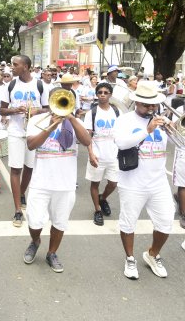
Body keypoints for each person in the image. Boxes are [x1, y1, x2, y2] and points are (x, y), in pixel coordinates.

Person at [23, 90, 91, 271]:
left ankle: (51, 253)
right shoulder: (37, 120)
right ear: (51, 101)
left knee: (60, 222)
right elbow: (31, 145)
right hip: (41, 182)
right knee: (34, 221)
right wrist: (51, 127)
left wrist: (72, 119)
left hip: (65, 183)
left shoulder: (76, 123)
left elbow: (86, 140)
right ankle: (35, 240)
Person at [113, 81, 175, 280]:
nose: (151, 108)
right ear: (137, 102)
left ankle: (152, 254)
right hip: (132, 181)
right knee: (128, 222)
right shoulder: (125, 120)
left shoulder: (160, 120)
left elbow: (179, 145)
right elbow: (122, 143)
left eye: (153, 105)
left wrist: (172, 130)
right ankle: (130, 258)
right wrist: (147, 130)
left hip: (158, 181)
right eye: (146, 105)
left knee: (166, 222)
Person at [0, 54, 49, 227]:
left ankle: (21, 193)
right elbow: (2, 110)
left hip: (33, 131)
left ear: (26, 67)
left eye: (15, 64)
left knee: (29, 168)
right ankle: (17, 210)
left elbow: (49, 109)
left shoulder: (40, 84)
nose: (12, 67)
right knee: (15, 169)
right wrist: (15, 110)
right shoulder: (10, 85)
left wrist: (36, 111)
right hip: (15, 131)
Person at [84, 82, 120, 226]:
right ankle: (97, 210)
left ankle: (103, 198)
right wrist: (91, 154)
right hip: (98, 154)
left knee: (113, 183)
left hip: (114, 154)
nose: (103, 95)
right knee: (95, 183)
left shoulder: (117, 111)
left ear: (110, 94)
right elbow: (88, 136)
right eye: (100, 92)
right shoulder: (91, 113)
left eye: (106, 92)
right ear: (97, 94)